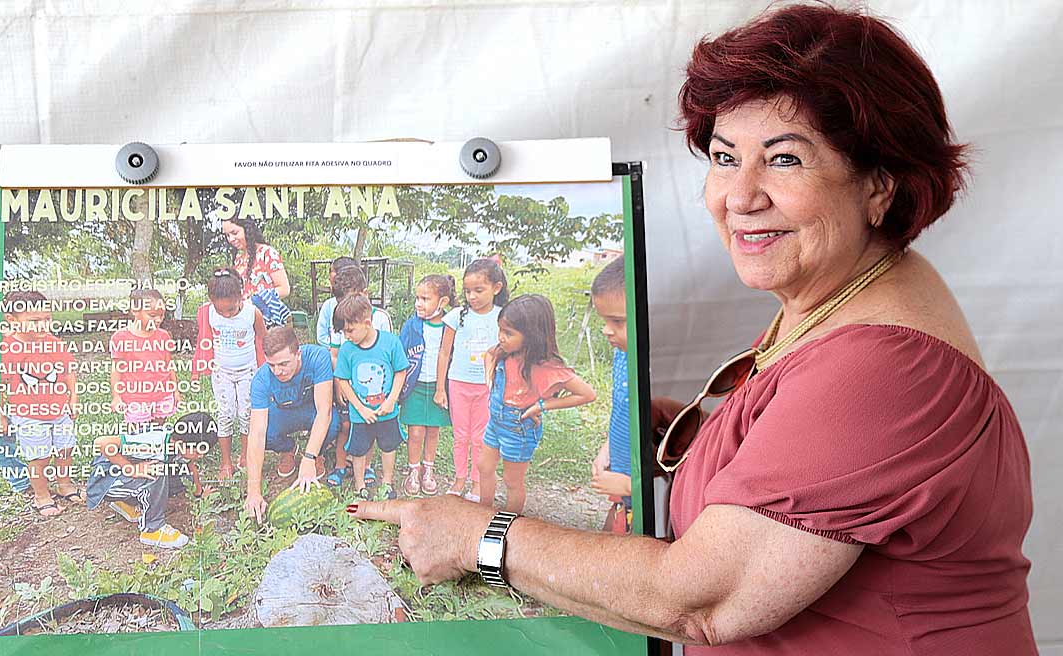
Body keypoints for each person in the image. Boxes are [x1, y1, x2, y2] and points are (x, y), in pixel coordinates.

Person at [349, 5, 1036, 655]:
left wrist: (481, 537)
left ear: (880, 185)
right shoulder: (848, 296)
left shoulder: (884, 369)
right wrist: (687, 438)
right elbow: (824, 475)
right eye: (725, 156)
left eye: (786, 158)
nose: (739, 196)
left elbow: (702, 600)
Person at [477, 294, 596, 513]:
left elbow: (587, 394)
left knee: (512, 481)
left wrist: (541, 406)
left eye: (509, 333)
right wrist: (489, 380)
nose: (501, 337)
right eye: (500, 330)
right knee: (483, 466)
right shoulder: (505, 352)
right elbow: (489, 354)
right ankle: (483, 512)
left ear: (532, 335)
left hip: (519, 428)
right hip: (495, 422)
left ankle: (509, 523)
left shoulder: (546, 367)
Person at [244, 326, 345, 522]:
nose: (277, 371)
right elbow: (255, 434)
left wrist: (308, 458)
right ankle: (288, 449)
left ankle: (317, 455)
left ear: (298, 353)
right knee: (265, 435)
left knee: (333, 423)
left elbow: (323, 412)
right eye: (272, 365)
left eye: (283, 364)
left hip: (312, 410)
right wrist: (253, 490)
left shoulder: (317, 357)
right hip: (285, 413)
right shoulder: (261, 379)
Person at [0, 290, 79, 517]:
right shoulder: (6, 350)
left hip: (59, 410)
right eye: (34, 321)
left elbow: (68, 371)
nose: (42, 326)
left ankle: (64, 483)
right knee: (39, 456)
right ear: (12, 320)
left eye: (47, 319)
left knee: (65, 448)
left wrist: (73, 398)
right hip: (28, 414)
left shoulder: (54, 343)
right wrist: (1, 415)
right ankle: (41, 494)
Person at [434, 257, 509, 500]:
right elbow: (444, 352)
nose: (472, 297)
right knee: (460, 435)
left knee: (480, 438)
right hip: (458, 383)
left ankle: (477, 483)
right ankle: (459, 479)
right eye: (467, 291)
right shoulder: (456, 316)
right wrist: (440, 388)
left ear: (496, 288)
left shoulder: (503, 316)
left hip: (487, 386)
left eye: (479, 290)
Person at [86, 412, 218, 549]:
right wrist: (132, 469)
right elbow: (101, 443)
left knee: (183, 476)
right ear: (181, 443)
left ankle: (125, 503)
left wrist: (199, 493)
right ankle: (152, 529)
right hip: (106, 481)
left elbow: (190, 466)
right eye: (198, 451)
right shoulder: (154, 443)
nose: (201, 456)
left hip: (125, 476)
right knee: (157, 469)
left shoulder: (179, 445)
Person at [322, 263, 393, 488]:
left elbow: (387, 357)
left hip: (372, 389)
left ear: (365, 293)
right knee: (345, 426)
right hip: (347, 384)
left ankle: (367, 465)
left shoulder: (380, 318)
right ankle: (341, 465)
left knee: (368, 424)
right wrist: (339, 386)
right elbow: (334, 354)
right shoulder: (340, 318)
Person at [334, 294, 409, 500]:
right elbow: (343, 380)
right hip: (360, 414)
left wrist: (391, 400)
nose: (347, 336)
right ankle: (360, 486)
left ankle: (387, 483)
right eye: (343, 331)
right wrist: (361, 408)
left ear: (367, 323)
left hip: (387, 411)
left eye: (350, 330)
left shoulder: (391, 343)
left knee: (388, 446)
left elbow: (400, 372)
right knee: (358, 450)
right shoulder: (347, 350)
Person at [201, 268, 267, 479]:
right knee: (226, 414)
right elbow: (204, 339)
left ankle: (246, 456)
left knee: (246, 413)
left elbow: (263, 339)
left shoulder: (251, 313)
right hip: (222, 372)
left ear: (241, 296)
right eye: (222, 311)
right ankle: (226, 461)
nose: (226, 315)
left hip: (248, 370)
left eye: (231, 309)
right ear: (211, 301)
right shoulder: (208, 312)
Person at [398, 274, 456, 496]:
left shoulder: (450, 325)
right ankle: (414, 470)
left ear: (442, 302)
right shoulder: (412, 325)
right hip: (415, 386)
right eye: (417, 298)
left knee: (433, 431)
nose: (418, 303)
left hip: (438, 387)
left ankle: (428, 470)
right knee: (415, 432)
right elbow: (401, 354)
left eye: (425, 298)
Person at [587, 256, 634, 533]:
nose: (606, 330)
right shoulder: (622, 354)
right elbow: (621, 412)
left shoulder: (655, 372)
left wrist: (631, 486)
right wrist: (608, 449)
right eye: (604, 320)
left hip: (643, 499)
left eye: (617, 321)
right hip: (622, 491)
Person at [109, 288, 180, 427]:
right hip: (136, 398)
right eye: (152, 315)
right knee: (137, 435)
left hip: (163, 394)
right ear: (135, 311)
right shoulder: (121, 337)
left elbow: (169, 364)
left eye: (162, 315)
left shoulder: (164, 335)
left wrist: (175, 390)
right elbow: (116, 370)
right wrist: (116, 397)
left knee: (157, 431)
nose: (158, 320)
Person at [221, 216, 292, 327]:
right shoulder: (238, 259)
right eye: (227, 235)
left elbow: (284, 289)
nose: (230, 239)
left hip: (268, 323)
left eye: (234, 233)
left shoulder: (267, 253)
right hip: (245, 323)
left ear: (247, 229)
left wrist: (255, 301)